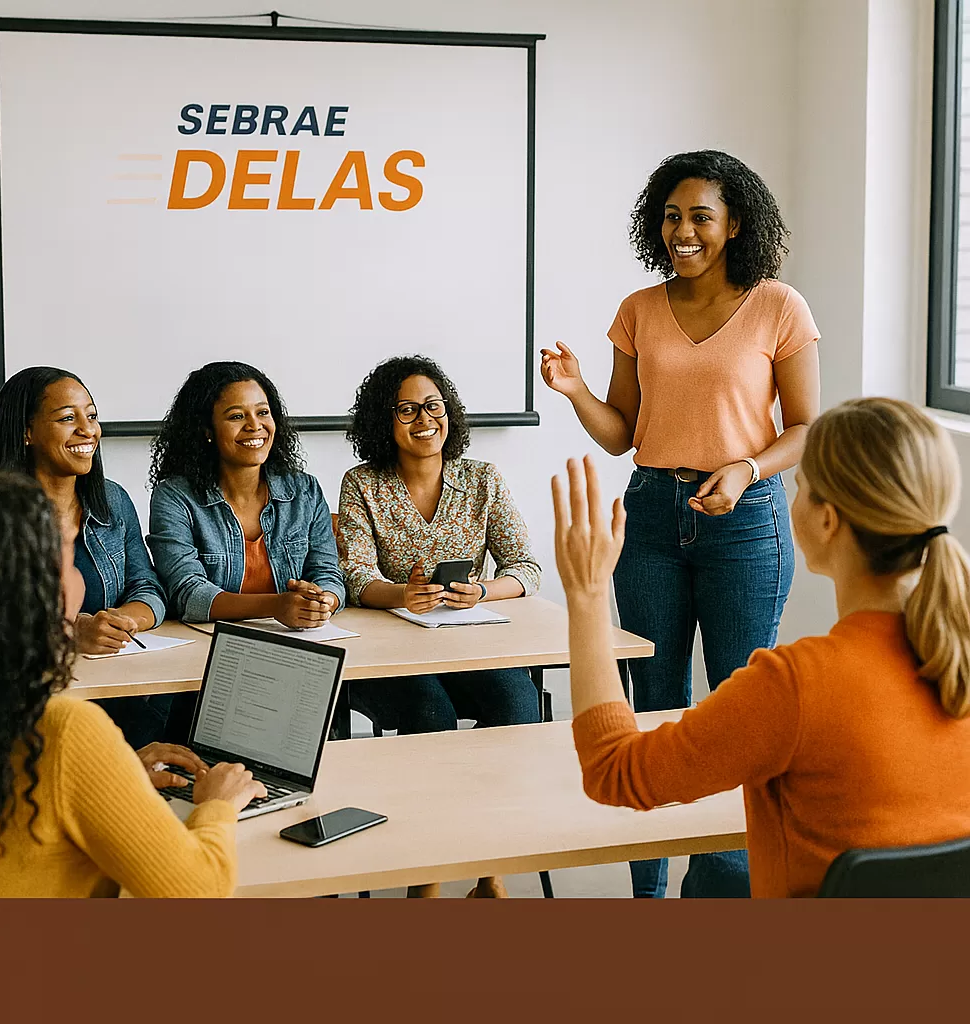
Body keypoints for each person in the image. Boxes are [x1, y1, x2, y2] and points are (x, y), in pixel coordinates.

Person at [540, 150, 820, 897]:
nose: (683, 231)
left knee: (738, 710)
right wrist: (573, 391)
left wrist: (746, 469)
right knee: (655, 705)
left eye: (701, 216)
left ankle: (725, 893)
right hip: (654, 519)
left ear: (735, 225)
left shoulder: (778, 306)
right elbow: (623, 431)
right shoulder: (638, 309)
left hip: (745, 521)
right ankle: (650, 897)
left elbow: (804, 427)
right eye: (672, 216)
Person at [553, 400, 970, 899]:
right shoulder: (953, 662)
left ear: (828, 521)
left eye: (799, 487)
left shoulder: (795, 687)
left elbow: (614, 772)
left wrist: (586, 594)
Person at [0, 473, 265, 898]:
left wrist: (114, 776)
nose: (80, 579)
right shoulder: (63, 730)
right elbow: (198, 892)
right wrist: (217, 805)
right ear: (43, 591)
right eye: (68, 560)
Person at [338, 355, 541, 899]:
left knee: (518, 705)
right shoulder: (362, 484)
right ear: (384, 421)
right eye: (407, 410)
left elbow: (526, 567)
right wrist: (399, 594)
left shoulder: (482, 479)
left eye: (434, 406)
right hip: (390, 656)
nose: (425, 419)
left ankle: (488, 874)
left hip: (468, 643)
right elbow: (355, 576)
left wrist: (482, 591)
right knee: (432, 718)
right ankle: (423, 885)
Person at [0, 366, 172, 748]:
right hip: (30, 706)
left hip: (116, 687)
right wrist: (70, 633)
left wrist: (122, 620)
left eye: (92, 415)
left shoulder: (112, 500)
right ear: (26, 432)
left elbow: (147, 586)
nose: (88, 430)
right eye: (67, 418)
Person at [148, 361, 345, 625]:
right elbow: (187, 593)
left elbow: (327, 573)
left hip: (297, 638)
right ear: (207, 430)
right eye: (236, 416)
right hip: (206, 644)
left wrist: (323, 602)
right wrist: (276, 605)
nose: (255, 426)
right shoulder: (174, 497)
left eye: (263, 412)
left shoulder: (304, 491)